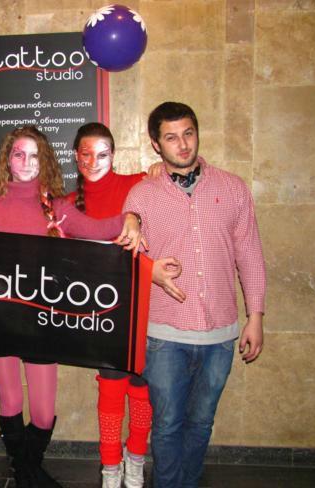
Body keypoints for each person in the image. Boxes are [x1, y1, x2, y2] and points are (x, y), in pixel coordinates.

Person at [0, 125, 143, 488]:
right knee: (10, 401)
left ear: (45, 162)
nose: (26, 162)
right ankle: (29, 476)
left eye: (34, 155)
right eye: (19, 154)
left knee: (42, 413)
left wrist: (131, 218)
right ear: (7, 160)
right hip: (0, 322)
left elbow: (98, 230)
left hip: (43, 323)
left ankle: (26, 470)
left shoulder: (57, 208)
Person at [124, 102, 266, 488]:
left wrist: (255, 316)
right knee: (167, 424)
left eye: (188, 133)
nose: (183, 144)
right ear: (156, 145)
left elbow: (250, 254)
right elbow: (125, 258)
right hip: (164, 336)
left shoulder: (233, 188)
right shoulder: (141, 196)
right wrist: (149, 268)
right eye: (171, 137)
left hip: (220, 335)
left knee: (202, 423)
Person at [67, 122, 184, 488]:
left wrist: (159, 169)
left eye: (102, 154)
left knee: (142, 390)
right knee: (110, 392)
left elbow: (176, 180)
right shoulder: (67, 204)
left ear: (113, 155)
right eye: (86, 154)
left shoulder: (137, 184)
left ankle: (135, 460)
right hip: (101, 314)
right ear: (75, 156)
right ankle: (109, 467)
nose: (93, 161)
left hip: (142, 307)